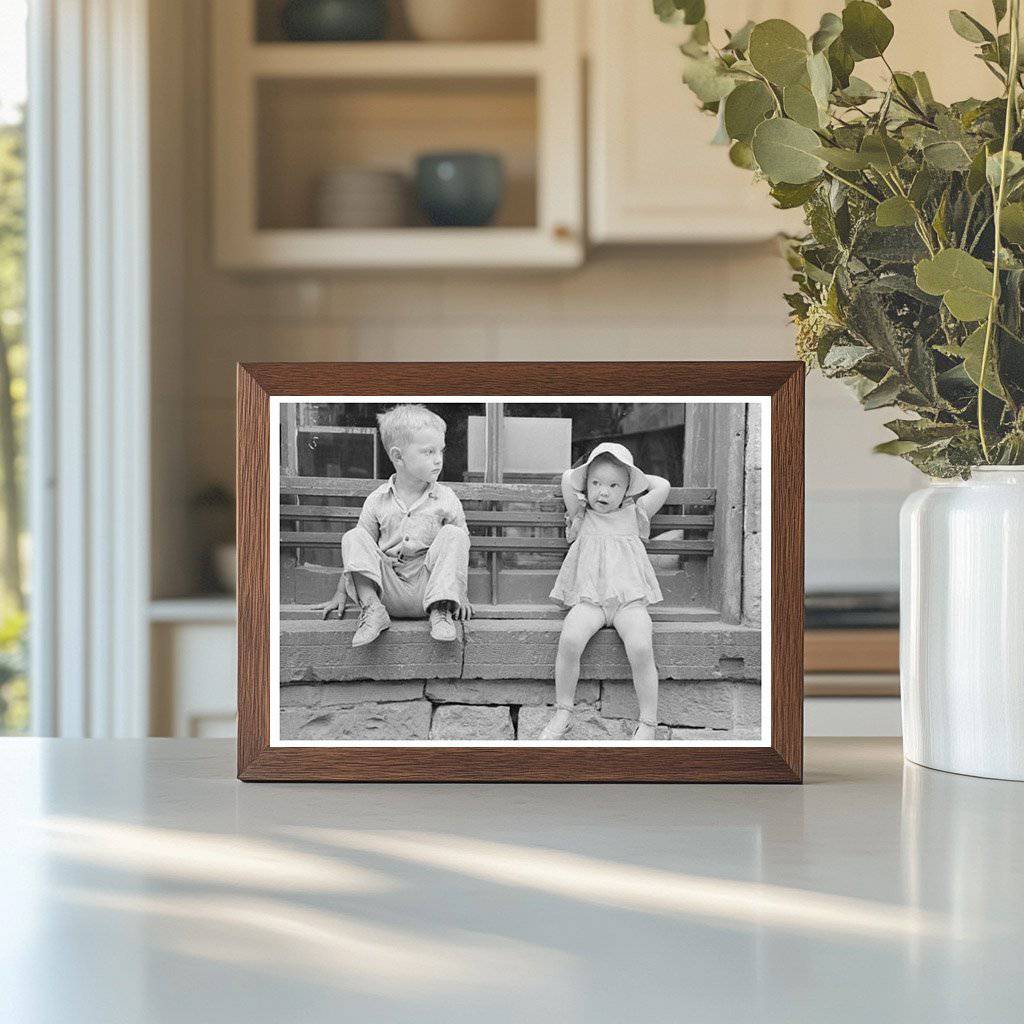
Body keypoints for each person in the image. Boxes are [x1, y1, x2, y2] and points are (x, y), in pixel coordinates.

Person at [540, 443, 671, 741]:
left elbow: (662, 485)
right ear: (586, 484)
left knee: (640, 646)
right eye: (596, 483)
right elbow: (565, 478)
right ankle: (564, 710)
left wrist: (632, 476)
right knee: (570, 638)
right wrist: (586, 474)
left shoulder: (636, 512)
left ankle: (648, 723)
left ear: (627, 489)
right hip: (590, 600)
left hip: (629, 601)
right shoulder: (581, 513)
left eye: (614, 485)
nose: (603, 492)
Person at [312, 405, 471, 646]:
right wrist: (341, 592)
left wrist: (460, 593)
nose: (438, 459)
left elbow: (459, 550)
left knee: (455, 535)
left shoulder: (447, 498)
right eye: (428, 452)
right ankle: (373, 610)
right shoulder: (377, 500)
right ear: (398, 457)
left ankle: (441, 612)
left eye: (441, 450)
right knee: (354, 536)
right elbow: (359, 551)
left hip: (429, 591)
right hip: (387, 591)